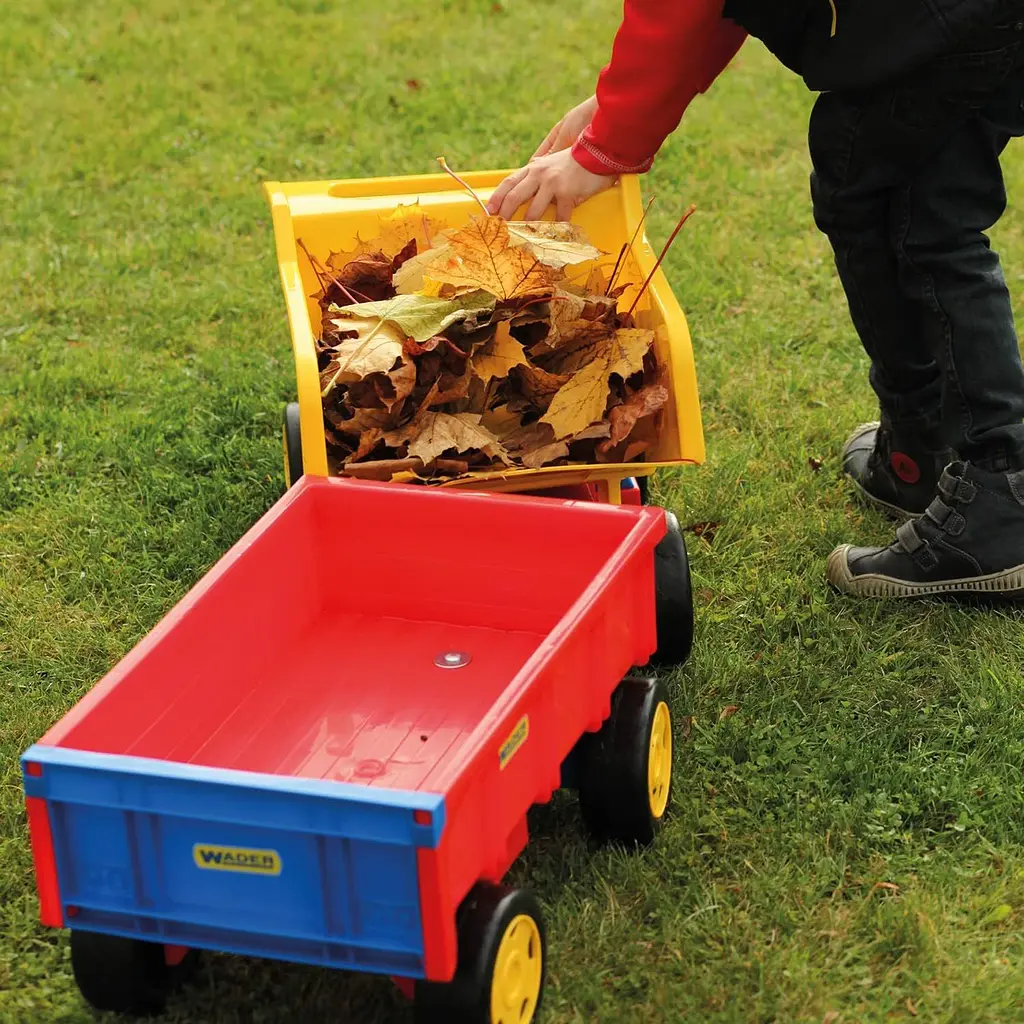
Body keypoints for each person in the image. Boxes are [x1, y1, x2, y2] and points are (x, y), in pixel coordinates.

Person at [486, 0, 1024, 600]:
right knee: (914, 208)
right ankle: (924, 446)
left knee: (915, 222)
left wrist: (606, 149)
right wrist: (610, 110)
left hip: (935, 24)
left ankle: (1000, 486)